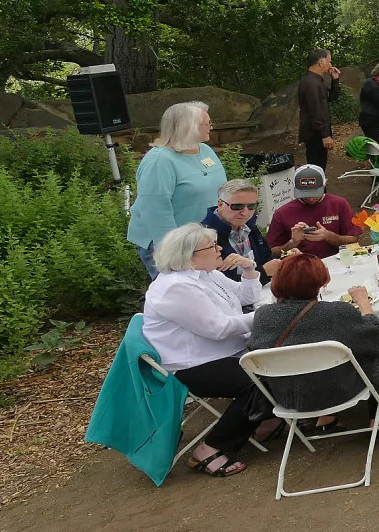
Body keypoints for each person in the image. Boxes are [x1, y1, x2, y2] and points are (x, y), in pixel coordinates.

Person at [142, 223, 272, 477]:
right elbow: (219, 329)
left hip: (222, 351)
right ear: (189, 257)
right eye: (212, 246)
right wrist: (267, 316)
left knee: (276, 361)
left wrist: (248, 269)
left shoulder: (205, 274)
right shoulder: (176, 287)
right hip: (192, 364)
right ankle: (212, 448)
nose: (219, 248)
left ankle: (265, 422)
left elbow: (245, 298)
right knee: (261, 381)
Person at [246, 253, 379, 438]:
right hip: (340, 391)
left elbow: (256, 352)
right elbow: (371, 334)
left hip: (290, 398)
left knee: (307, 357)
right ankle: (378, 421)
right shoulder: (336, 312)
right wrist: (363, 301)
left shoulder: (263, 315)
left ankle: (326, 419)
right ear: (321, 282)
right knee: (372, 350)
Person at [128, 101, 228, 279]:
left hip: (202, 241)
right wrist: (174, 253)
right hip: (173, 244)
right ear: (188, 126)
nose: (212, 128)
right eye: (208, 123)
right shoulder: (159, 161)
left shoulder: (205, 150)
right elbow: (155, 211)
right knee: (181, 292)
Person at [265, 165, 363, 259]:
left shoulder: (339, 204)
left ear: (324, 184)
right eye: (305, 194)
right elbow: (271, 252)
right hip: (300, 267)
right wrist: (293, 242)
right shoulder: (282, 213)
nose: (310, 198)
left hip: (336, 262)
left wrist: (328, 236)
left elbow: (354, 240)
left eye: (315, 193)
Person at [202, 179, 279, 284]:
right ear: (220, 204)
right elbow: (215, 285)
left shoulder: (250, 227)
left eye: (251, 206)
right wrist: (263, 272)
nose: (245, 213)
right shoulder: (202, 237)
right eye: (237, 206)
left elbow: (267, 259)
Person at [298, 48, 342, 169]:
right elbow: (315, 111)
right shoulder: (310, 83)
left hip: (318, 132)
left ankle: (320, 186)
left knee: (320, 165)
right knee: (316, 167)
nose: (330, 65)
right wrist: (324, 135)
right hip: (314, 134)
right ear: (321, 62)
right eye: (329, 61)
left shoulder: (317, 80)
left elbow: (332, 98)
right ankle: (317, 187)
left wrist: (335, 79)